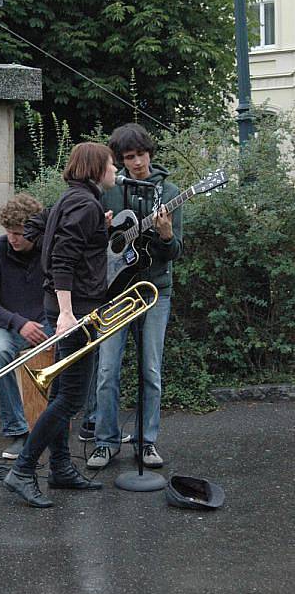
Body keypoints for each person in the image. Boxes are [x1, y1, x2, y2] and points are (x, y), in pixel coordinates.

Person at [3, 142, 116, 508]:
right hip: (76, 309)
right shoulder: (85, 204)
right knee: (71, 398)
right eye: (111, 164)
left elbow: (38, 224)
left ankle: (62, 467)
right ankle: (23, 470)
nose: (115, 170)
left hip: (64, 305)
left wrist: (98, 229)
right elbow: (65, 257)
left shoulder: (73, 200)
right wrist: (68, 313)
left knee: (62, 393)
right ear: (97, 169)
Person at [85, 123, 183, 470]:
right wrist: (104, 229)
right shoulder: (107, 190)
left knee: (151, 369)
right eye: (129, 157)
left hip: (155, 290)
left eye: (141, 155)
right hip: (113, 292)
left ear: (150, 154)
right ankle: (105, 442)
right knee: (108, 369)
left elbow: (175, 252)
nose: (137, 162)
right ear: (119, 159)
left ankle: (146, 442)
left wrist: (167, 235)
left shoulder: (168, 192)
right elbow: (92, 243)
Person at [0, 193, 49, 460]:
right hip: (6, 326)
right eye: (9, 232)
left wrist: (42, 323)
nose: (13, 238)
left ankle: (65, 423)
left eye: (19, 233)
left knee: (82, 345)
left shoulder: (48, 250)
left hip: (45, 323)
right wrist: (19, 323)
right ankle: (19, 432)